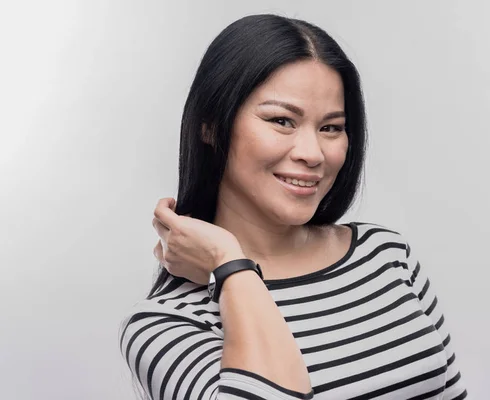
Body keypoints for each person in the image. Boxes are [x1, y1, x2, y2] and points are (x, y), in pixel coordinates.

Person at [118, 13, 468, 400]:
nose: (313, 153)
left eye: (331, 127)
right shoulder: (168, 323)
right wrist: (229, 265)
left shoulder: (386, 255)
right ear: (211, 124)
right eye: (282, 120)